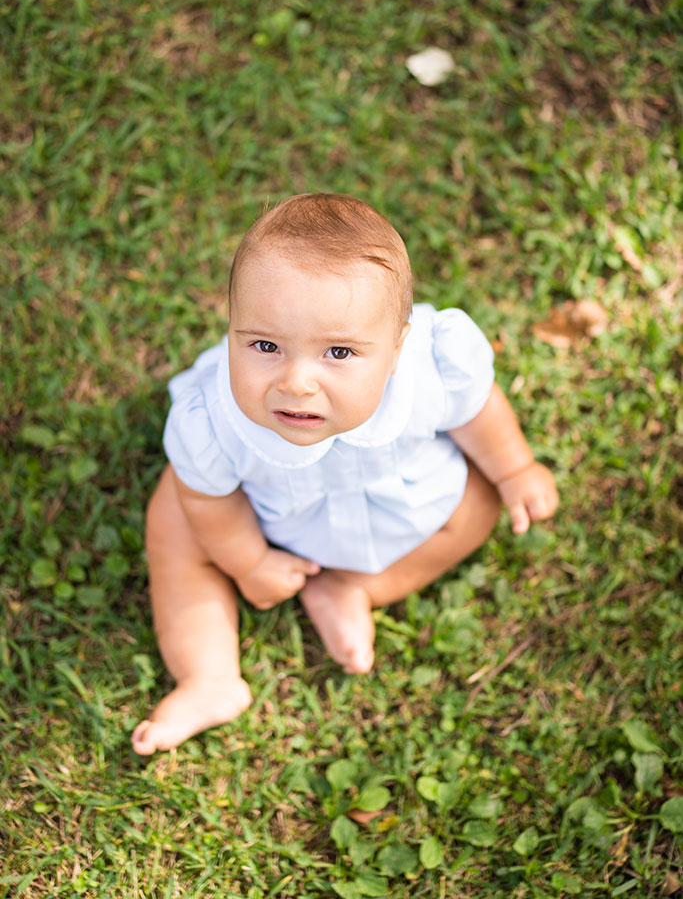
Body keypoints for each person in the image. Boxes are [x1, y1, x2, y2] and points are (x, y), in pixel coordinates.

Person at [132, 192, 558, 755]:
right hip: (260, 518)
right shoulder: (213, 420)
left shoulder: (431, 366)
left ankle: (354, 587)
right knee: (176, 511)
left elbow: (477, 410)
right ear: (232, 326)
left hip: (402, 505)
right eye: (265, 345)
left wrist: (515, 468)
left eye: (337, 353)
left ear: (398, 346)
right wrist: (249, 561)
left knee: (479, 503)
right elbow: (210, 504)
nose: (297, 382)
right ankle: (207, 675)